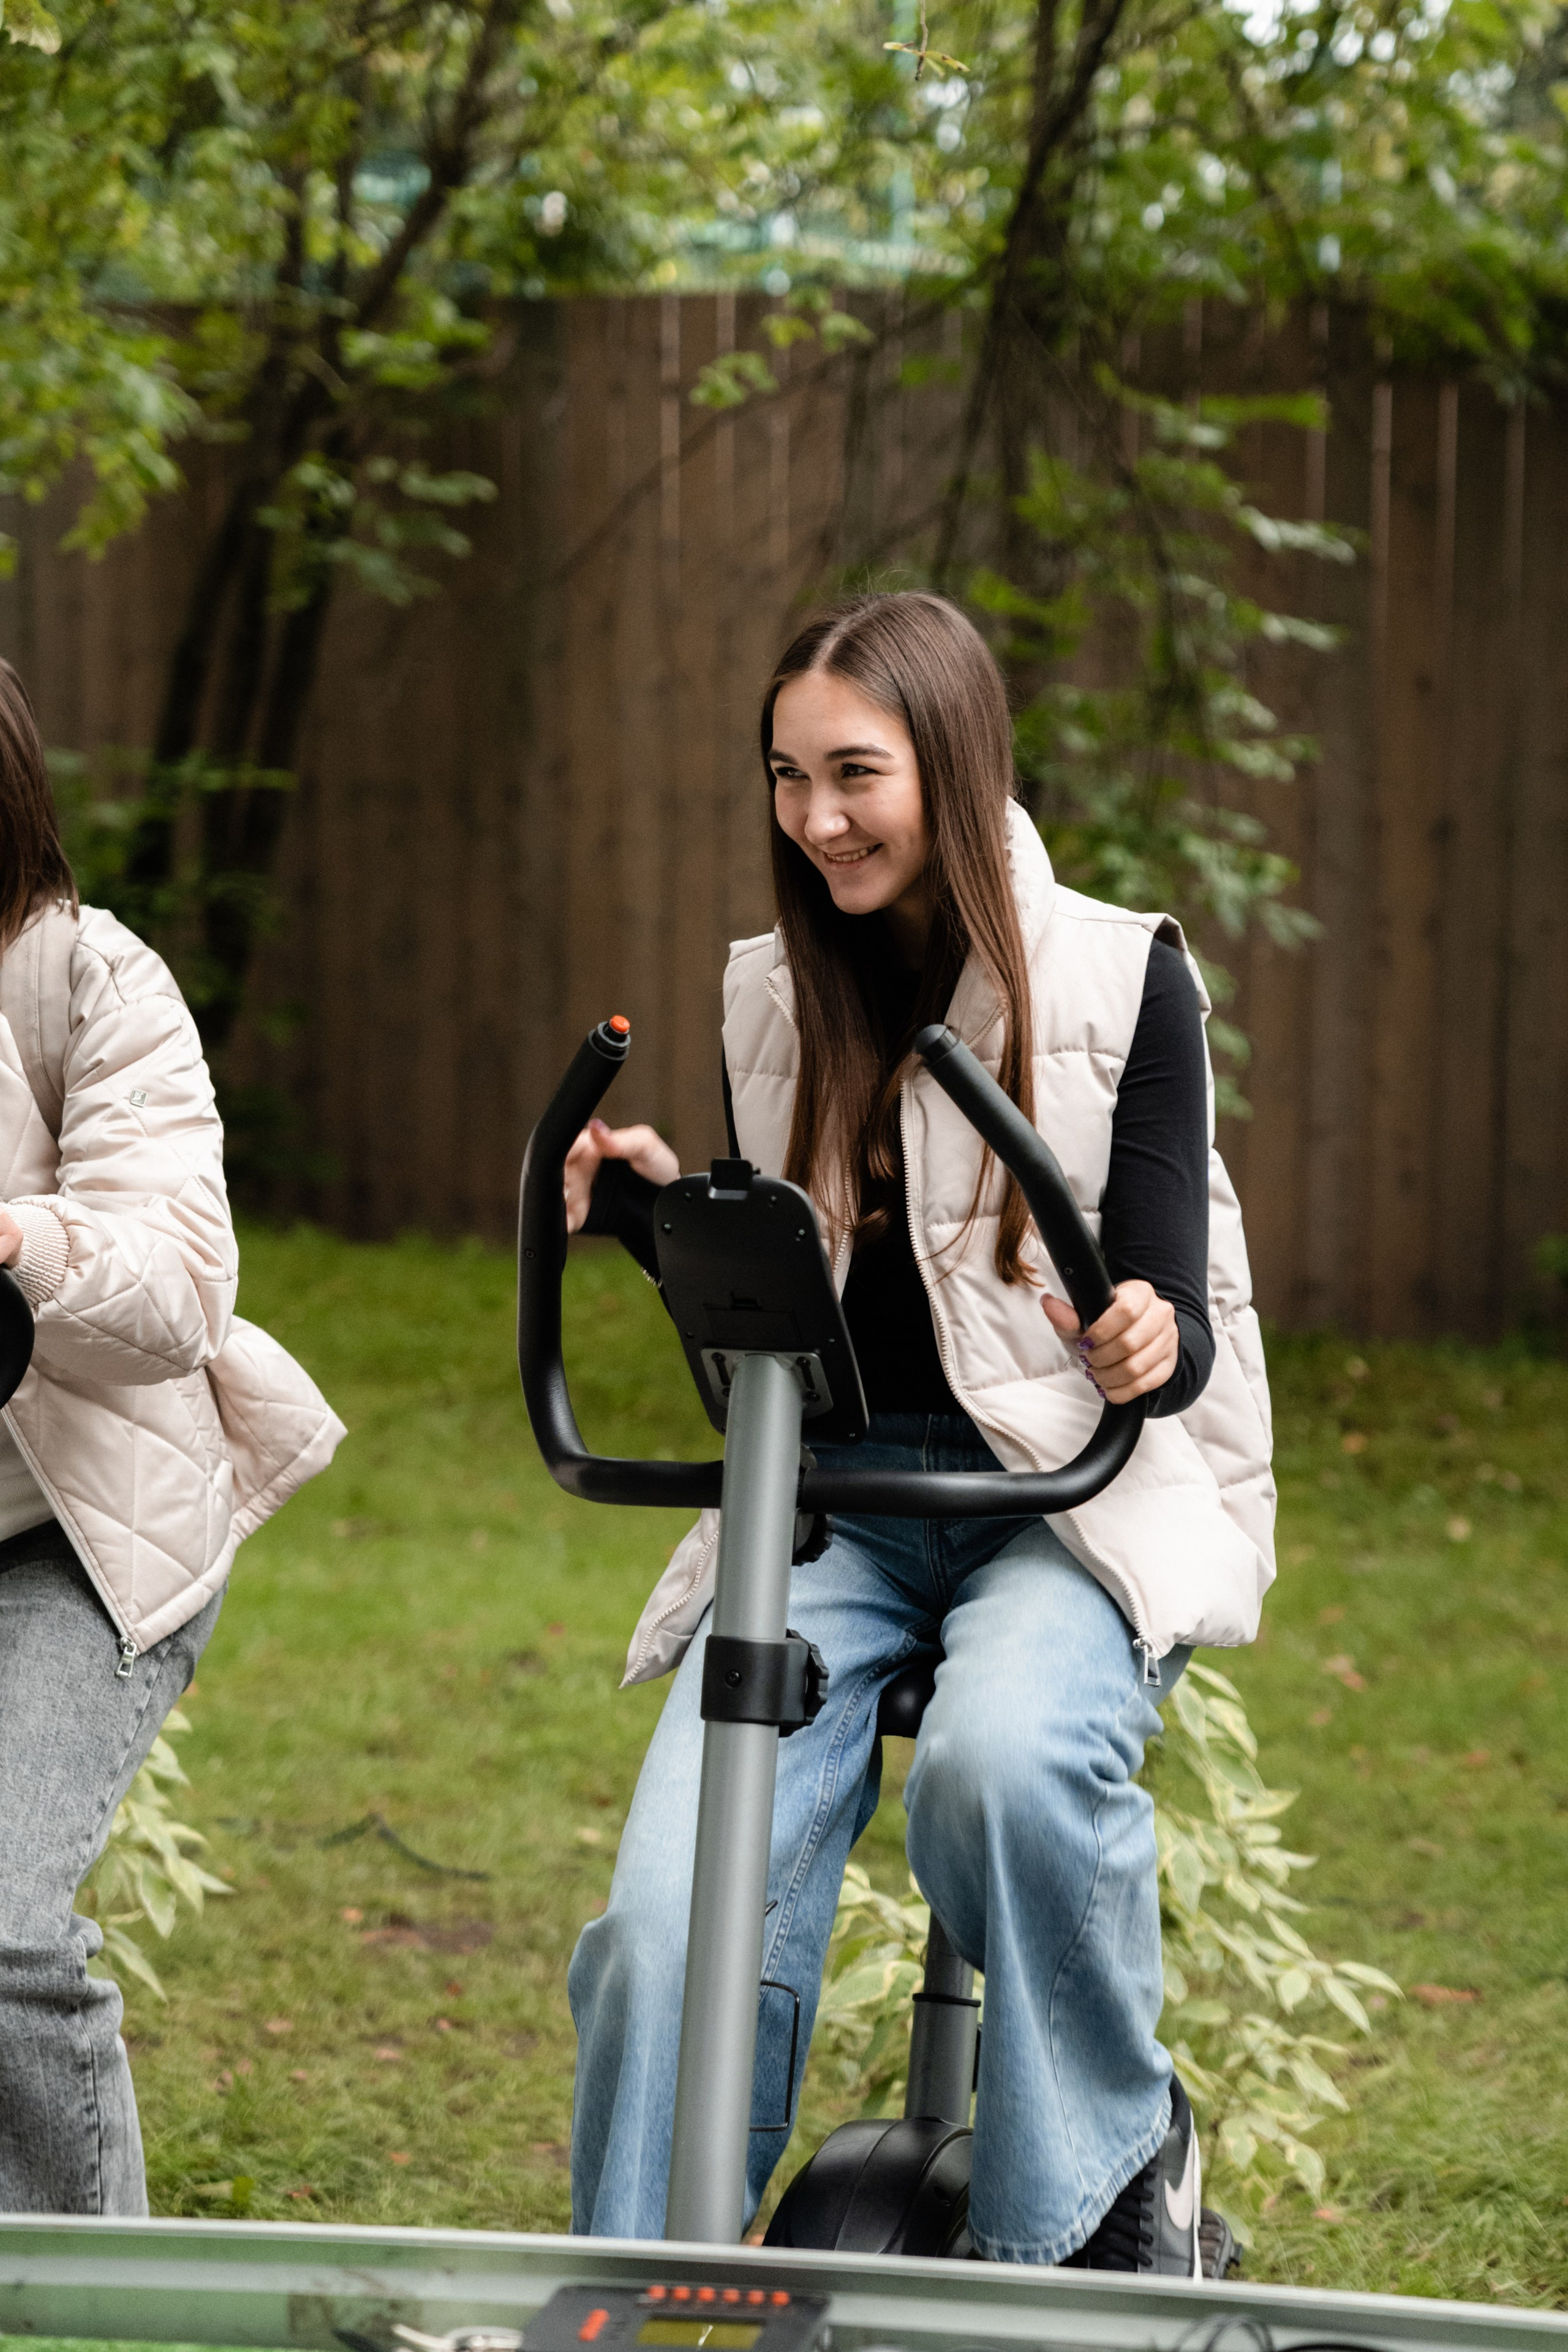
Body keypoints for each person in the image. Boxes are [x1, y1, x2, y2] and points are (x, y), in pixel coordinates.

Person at [562, 593, 1275, 2269]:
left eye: (855, 774)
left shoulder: (1123, 973)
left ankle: (1082, 2223)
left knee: (1000, 1762)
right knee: (668, 1922)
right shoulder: (774, 997)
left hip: (1066, 1504)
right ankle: (648, 2277)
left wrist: (1142, 1335)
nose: (816, 821)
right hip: (844, 1509)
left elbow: (1164, 1306)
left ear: (948, 762)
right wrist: (661, 1224)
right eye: (785, 778)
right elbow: (799, 1338)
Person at [0, 660, 345, 2214]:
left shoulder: (87, 984)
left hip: (76, 1534)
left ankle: (100, 2300)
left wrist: (11, 1236)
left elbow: (178, 1296)